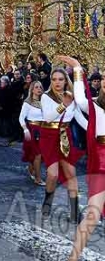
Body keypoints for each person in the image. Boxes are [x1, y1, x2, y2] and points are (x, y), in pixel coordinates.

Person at [60, 58, 105, 261]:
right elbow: (80, 99)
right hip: (102, 168)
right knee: (91, 217)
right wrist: (77, 69)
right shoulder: (96, 107)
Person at [39, 67, 87, 223]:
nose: (57, 82)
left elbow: (78, 117)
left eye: (60, 79)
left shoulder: (71, 97)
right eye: (54, 79)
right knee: (52, 174)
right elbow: (48, 117)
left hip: (65, 137)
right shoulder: (46, 97)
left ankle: (74, 211)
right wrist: (63, 105)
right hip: (49, 136)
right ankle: (48, 200)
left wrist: (95, 131)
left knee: (71, 173)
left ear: (66, 81)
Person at [19, 81, 45, 186]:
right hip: (33, 130)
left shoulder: (44, 102)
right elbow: (21, 118)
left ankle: (31, 169)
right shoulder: (27, 102)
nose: (39, 89)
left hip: (43, 129)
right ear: (32, 89)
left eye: (40, 87)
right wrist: (25, 130)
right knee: (37, 154)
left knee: (39, 154)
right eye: (36, 87)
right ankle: (38, 179)